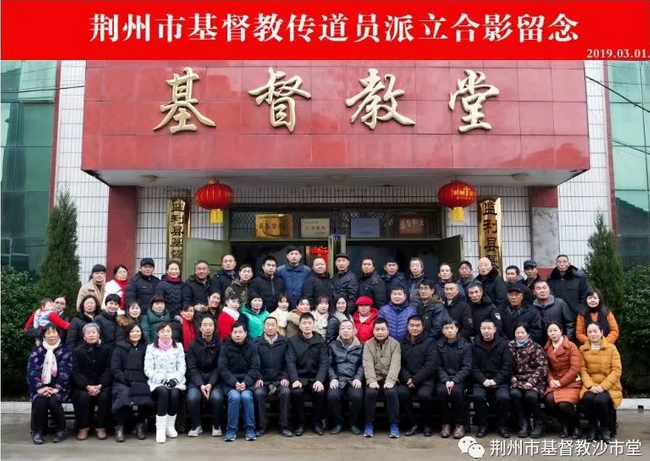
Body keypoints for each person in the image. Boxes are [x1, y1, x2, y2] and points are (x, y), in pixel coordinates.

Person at [27, 323, 72, 445]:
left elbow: (66, 371)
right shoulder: (37, 351)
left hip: (60, 388)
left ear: (58, 334)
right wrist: (40, 388)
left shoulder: (65, 350)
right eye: (48, 333)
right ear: (44, 335)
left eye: (54, 332)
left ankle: (61, 430)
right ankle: (37, 432)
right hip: (40, 389)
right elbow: (31, 371)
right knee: (40, 400)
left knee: (53, 400)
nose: (51, 335)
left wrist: (57, 388)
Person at [579, 323, 623, 443]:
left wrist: (603, 386)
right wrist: (590, 385)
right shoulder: (583, 349)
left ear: (601, 332)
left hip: (608, 386)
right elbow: (582, 370)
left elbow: (616, 370)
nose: (593, 334)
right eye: (590, 332)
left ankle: (605, 429)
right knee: (587, 398)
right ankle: (592, 428)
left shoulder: (611, 348)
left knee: (600, 400)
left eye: (595, 331)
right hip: (590, 385)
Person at [286, 312, 328, 436]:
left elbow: (324, 363)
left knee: (319, 392)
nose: (307, 326)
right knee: (296, 392)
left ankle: (317, 423)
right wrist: (294, 379)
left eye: (310, 323)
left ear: (314, 325)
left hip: (315, 378)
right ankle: (300, 423)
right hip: (300, 377)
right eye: (304, 323)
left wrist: (320, 380)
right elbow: (290, 362)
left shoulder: (320, 341)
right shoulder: (292, 341)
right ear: (300, 325)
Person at [144, 322, 186, 443]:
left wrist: (175, 380)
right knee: (163, 392)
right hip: (157, 382)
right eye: (162, 331)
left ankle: (170, 426)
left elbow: (182, 367)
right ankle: (160, 429)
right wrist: (162, 380)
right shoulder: (151, 348)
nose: (165, 334)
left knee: (174, 393)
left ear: (172, 333)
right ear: (158, 333)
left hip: (175, 381)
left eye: (168, 331)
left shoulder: (178, 347)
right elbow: (148, 369)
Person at [111, 323, 152, 442]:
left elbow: (149, 365)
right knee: (123, 395)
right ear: (127, 333)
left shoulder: (147, 347)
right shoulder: (119, 348)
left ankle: (140, 425)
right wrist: (126, 379)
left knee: (144, 394)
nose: (136, 334)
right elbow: (115, 369)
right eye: (132, 331)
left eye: (138, 331)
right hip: (123, 380)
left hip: (142, 379)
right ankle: (120, 426)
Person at [219, 322, 260, 442]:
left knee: (247, 397)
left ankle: (250, 429)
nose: (238, 335)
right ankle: (231, 430)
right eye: (235, 332)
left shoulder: (252, 347)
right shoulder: (225, 347)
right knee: (235, 397)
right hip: (231, 383)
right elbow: (223, 369)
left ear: (246, 333)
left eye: (240, 332)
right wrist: (234, 383)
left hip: (247, 382)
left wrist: (246, 382)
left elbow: (255, 367)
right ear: (231, 334)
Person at [472, 318, 512, 439]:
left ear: (495, 329)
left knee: (504, 397)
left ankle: (502, 426)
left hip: (499, 381)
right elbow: (473, 367)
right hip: (481, 381)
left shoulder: (504, 344)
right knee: (478, 397)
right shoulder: (474, 344)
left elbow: (507, 366)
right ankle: (482, 426)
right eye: (484, 328)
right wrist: (483, 380)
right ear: (480, 329)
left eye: (489, 328)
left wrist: (496, 380)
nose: (487, 331)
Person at [398, 315, 437, 437]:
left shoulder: (429, 341)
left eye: (417, 325)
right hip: (407, 379)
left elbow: (430, 364)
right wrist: (408, 378)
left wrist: (416, 379)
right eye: (412, 325)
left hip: (425, 379)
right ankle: (414, 424)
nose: (414, 328)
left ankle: (427, 425)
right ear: (407, 326)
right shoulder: (401, 342)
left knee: (424, 395)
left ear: (423, 327)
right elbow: (399, 363)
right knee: (401, 393)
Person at [71, 323, 112, 441]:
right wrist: (87, 386)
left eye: (93, 332)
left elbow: (109, 369)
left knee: (104, 396)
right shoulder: (77, 351)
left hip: (102, 385)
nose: (91, 335)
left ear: (99, 335)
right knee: (82, 397)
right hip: (83, 386)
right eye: (88, 333)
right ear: (84, 337)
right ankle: (83, 427)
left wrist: (100, 385)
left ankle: (101, 427)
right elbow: (75, 371)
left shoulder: (107, 349)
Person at [362, 318, 401, 438]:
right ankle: (369, 424)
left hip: (390, 378)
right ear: (373, 331)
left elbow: (396, 364)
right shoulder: (368, 344)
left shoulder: (395, 344)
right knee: (370, 393)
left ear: (388, 330)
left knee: (391, 393)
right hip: (375, 377)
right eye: (377, 329)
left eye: (383, 329)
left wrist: (390, 381)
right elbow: (367, 364)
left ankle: (394, 424)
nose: (380, 332)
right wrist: (371, 380)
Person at [254, 317, 292, 437]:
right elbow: (253, 363)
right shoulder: (256, 343)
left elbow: (289, 362)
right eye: (268, 325)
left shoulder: (285, 342)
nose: (270, 327)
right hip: (263, 379)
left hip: (279, 378)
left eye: (273, 325)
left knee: (286, 392)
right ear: (263, 327)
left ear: (277, 327)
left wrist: (285, 377)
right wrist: (258, 377)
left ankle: (284, 425)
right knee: (258, 393)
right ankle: (262, 425)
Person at [509, 323, 549, 438]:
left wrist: (531, 381)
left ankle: (538, 424)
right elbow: (506, 365)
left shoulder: (536, 347)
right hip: (517, 380)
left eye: (522, 332)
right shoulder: (510, 346)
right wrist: (512, 378)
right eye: (517, 333)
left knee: (531, 396)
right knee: (515, 394)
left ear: (528, 334)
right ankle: (523, 424)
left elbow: (542, 367)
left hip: (534, 381)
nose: (520, 335)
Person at [186, 316, 224, 437]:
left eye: (210, 325)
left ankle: (216, 425)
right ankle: (196, 426)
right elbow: (192, 368)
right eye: (205, 325)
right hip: (197, 380)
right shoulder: (193, 345)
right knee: (192, 398)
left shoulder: (221, 344)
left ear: (214, 327)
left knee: (217, 398)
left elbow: (220, 367)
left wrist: (211, 384)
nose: (208, 328)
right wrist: (201, 384)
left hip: (215, 380)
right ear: (200, 327)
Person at [543, 322, 582, 439]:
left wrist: (561, 382)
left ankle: (576, 425)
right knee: (549, 400)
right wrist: (550, 380)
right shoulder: (547, 348)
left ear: (561, 331)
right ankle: (564, 424)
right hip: (555, 380)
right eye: (550, 331)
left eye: (555, 330)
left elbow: (575, 368)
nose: (553, 333)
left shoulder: (571, 346)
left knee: (564, 404)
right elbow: (546, 367)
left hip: (571, 382)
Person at [437, 319, 472, 439]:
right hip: (444, 379)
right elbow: (438, 366)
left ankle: (460, 424)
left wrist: (455, 380)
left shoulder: (466, 345)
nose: (449, 330)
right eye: (446, 328)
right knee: (441, 392)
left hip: (459, 380)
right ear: (442, 331)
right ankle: (445, 423)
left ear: (457, 329)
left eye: (452, 328)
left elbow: (467, 367)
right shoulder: (438, 345)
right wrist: (446, 380)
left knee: (456, 393)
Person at [327, 320, 364, 435]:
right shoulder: (333, 345)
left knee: (357, 396)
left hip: (353, 379)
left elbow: (363, 364)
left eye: (349, 328)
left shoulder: (361, 346)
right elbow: (328, 364)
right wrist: (333, 378)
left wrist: (358, 377)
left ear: (354, 331)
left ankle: (354, 423)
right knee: (332, 396)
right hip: (338, 379)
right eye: (343, 328)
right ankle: (339, 423)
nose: (346, 330)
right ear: (339, 331)